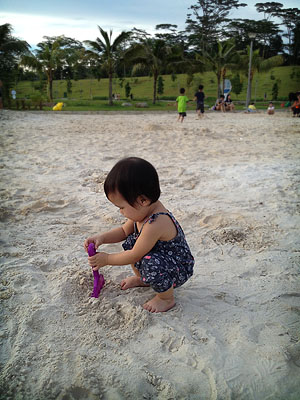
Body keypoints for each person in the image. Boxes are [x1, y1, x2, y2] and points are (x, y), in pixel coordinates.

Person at [84, 157, 194, 313]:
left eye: (121, 207)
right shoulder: (142, 212)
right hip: (161, 260)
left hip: (177, 268)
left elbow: (135, 255)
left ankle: (166, 298)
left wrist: (106, 259)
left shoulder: (156, 222)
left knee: (147, 259)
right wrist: (101, 238)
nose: (121, 212)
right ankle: (145, 280)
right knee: (131, 240)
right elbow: (123, 231)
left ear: (142, 200)